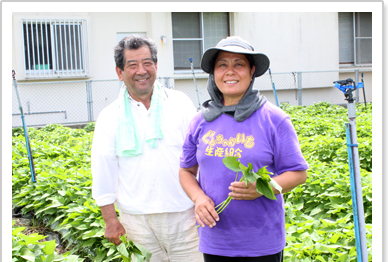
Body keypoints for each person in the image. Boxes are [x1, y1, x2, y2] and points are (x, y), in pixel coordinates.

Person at [179, 36, 309, 262]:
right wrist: (199, 198)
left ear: (252, 71)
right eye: (222, 65)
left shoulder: (274, 119)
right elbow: (186, 171)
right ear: (214, 73)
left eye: (238, 64)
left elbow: (298, 173)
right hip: (216, 239)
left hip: (262, 242)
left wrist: (264, 187)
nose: (230, 71)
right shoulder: (200, 121)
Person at [91, 35, 203, 262]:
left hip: (185, 215)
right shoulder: (110, 116)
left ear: (156, 66)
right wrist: (111, 221)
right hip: (136, 222)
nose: (141, 70)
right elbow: (103, 170)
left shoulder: (180, 103)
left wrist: (203, 200)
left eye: (147, 63)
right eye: (132, 65)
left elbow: (200, 156)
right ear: (119, 73)